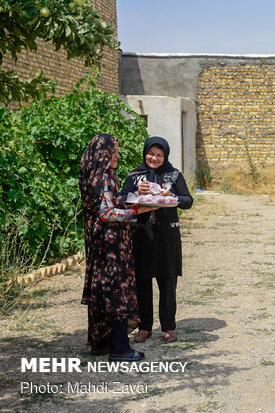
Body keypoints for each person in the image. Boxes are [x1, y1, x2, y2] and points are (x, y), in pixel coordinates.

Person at [79, 133, 156, 361]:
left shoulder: (99, 175)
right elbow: (106, 213)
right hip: (108, 244)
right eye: (114, 151)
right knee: (116, 291)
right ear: (103, 153)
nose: (118, 155)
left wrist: (134, 200)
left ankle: (103, 342)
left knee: (103, 291)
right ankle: (120, 349)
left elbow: (111, 203)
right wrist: (136, 212)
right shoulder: (101, 178)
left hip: (103, 242)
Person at [121, 136, 193, 343]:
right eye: (151, 153)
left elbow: (188, 201)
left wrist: (172, 197)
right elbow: (123, 199)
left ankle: (169, 327)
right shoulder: (135, 176)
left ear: (166, 156)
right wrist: (137, 192)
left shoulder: (173, 175)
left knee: (167, 282)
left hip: (167, 237)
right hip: (141, 236)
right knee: (142, 282)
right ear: (145, 153)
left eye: (159, 155)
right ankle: (144, 327)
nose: (154, 158)